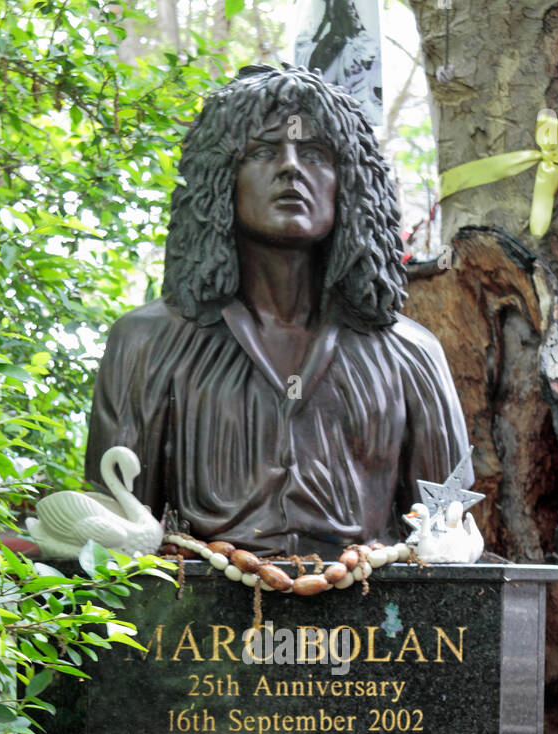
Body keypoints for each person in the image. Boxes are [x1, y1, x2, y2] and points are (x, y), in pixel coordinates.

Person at [86, 65, 471, 559]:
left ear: (349, 182)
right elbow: (113, 538)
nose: (291, 168)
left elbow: (449, 542)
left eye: (315, 154)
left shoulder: (412, 355)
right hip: (196, 624)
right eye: (264, 151)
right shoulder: (144, 343)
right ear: (221, 176)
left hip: (381, 628)